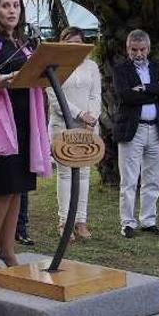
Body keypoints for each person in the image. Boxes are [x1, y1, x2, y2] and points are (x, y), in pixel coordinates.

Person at [0, 0, 51, 275]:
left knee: (17, 191)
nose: (12, 10)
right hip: (0, 126)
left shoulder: (22, 43)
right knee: (2, 190)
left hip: (25, 123)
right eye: (6, 5)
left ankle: (8, 250)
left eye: (16, 5)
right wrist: (10, 78)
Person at [112, 29, 159, 239]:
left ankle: (149, 221)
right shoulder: (121, 70)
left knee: (153, 178)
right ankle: (128, 223)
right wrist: (155, 92)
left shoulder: (157, 67)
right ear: (127, 49)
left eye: (142, 49)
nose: (138, 54)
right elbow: (126, 96)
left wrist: (144, 88)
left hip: (156, 129)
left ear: (148, 48)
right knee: (129, 180)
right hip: (133, 130)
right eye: (133, 50)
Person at [46, 27, 101, 240]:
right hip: (63, 126)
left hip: (88, 127)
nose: (75, 49)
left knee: (84, 173)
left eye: (79, 44)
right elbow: (55, 98)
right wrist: (80, 114)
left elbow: (96, 95)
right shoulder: (54, 67)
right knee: (66, 173)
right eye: (70, 44)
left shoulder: (92, 66)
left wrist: (92, 117)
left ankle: (80, 221)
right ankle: (64, 222)